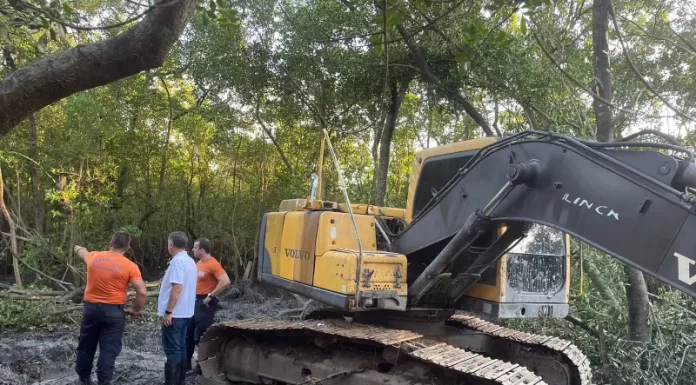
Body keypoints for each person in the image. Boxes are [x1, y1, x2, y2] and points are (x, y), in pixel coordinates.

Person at [73, 232, 147, 385]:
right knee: (109, 348)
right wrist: (135, 308)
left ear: (110, 243)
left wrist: (77, 248)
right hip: (114, 312)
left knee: (86, 344)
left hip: (91, 310)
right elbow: (141, 291)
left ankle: (84, 378)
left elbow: (82, 252)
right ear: (128, 248)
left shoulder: (94, 257)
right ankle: (104, 380)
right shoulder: (130, 266)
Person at [185, 238, 231, 374]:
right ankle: (186, 366)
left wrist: (211, 295)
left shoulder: (213, 264)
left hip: (205, 303)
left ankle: (202, 369)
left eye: (195, 247)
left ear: (202, 250)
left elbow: (225, 281)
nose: (192, 249)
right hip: (194, 302)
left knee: (201, 336)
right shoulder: (199, 263)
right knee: (188, 334)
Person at [158, 231, 197, 385]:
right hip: (186, 313)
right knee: (180, 347)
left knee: (173, 350)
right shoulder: (190, 261)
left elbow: (177, 288)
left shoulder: (177, 262)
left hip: (175, 314)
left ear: (171, 244)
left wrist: (168, 312)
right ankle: (180, 381)